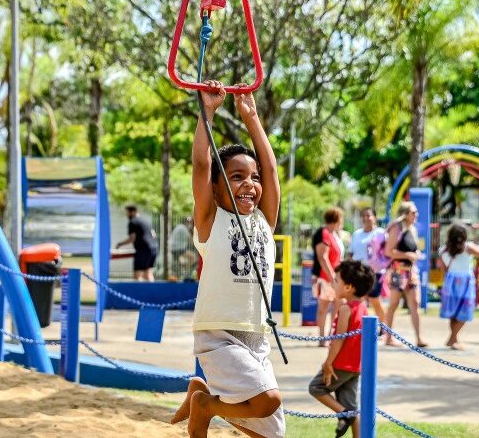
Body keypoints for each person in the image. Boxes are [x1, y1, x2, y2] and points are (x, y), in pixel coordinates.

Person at [169, 81, 284, 438]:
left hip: (256, 336)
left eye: (252, 178)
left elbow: (272, 169)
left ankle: (203, 394)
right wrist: (208, 111)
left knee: (271, 434)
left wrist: (251, 117)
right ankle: (206, 406)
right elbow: (202, 164)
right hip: (218, 335)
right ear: (217, 188)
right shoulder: (211, 220)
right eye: (236, 177)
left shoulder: (264, 221)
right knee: (269, 399)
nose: (249, 184)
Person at [308, 260, 374, 438]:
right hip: (355, 367)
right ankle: (349, 418)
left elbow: (338, 339)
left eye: (336, 280)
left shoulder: (345, 308)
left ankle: (344, 415)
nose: (333, 283)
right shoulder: (363, 307)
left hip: (340, 365)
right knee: (352, 407)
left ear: (348, 287)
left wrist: (328, 363)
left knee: (316, 388)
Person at [438, 223, 479, 350]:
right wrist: (477, 244)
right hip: (465, 281)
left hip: (450, 281)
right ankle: (452, 338)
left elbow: (444, 268)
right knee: (465, 310)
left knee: (454, 313)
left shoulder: (443, 250)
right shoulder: (467, 247)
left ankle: (454, 339)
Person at [383, 201, 427, 348]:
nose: (416, 215)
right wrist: (407, 255)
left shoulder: (412, 229)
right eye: (413, 212)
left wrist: (415, 254)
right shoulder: (396, 228)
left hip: (411, 271)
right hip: (398, 270)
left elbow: (411, 248)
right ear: (405, 214)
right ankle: (388, 337)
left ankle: (419, 338)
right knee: (394, 304)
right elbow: (389, 252)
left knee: (415, 303)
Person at [348, 207, 386, 323]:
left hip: (374, 272)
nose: (366, 218)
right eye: (363, 216)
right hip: (359, 273)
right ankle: (359, 326)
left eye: (368, 215)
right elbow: (351, 253)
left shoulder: (380, 233)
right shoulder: (357, 234)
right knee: (358, 300)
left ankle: (384, 327)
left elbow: (387, 252)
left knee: (375, 300)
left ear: (374, 218)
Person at [312, 208, 344, 345]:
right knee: (323, 307)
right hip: (325, 278)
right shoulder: (323, 233)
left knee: (338, 306)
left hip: (334, 278)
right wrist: (332, 278)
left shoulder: (333, 234)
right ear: (337, 219)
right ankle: (322, 337)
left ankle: (332, 336)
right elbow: (322, 257)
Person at [115, 205, 158, 281]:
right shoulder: (146, 221)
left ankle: (138, 292)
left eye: (127, 213)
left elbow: (132, 238)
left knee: (137, 274)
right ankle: (152, 292)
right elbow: (154, 235)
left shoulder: (133, 222)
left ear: (133, 212)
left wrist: (120, 244)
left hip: (143, 250)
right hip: (154, 248)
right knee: (148, 272)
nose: (126, 215)